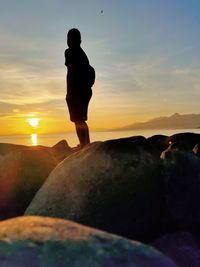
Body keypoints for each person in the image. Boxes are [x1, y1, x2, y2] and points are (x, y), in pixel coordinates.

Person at [64, 28, 93, 148]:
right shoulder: (82, 54)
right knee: (81, 119)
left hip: (77, 90)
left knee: (77, 120)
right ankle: (86, 144)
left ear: (69, 39)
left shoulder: (70, 52)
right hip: (85, 91)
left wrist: (69, 92)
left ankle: (83, 145)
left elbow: (71, 71)